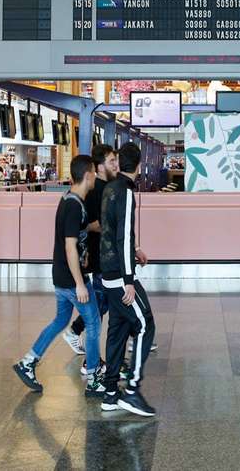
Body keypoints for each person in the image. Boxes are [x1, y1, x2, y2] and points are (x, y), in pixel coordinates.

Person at [13, 155, 104, 397]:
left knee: (60, 321)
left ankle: (28, 361)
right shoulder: (75, 205)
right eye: (94, 172)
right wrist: (80, 284)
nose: (96, 175)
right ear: (87, 175)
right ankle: (94, 378)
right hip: (72, 279)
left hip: (60, 277)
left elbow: (75, 231)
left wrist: (93, 227)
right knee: (93, 323)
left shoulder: (68, 200)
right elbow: (69, 246)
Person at [99, 142, 156, 417]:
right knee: (146, 324)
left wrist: (134, 251)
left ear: (120, 164)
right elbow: (122, 236)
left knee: (118, 328)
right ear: (141, 166)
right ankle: (132, 391)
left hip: (107, 271)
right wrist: (129, 279)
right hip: (120, 275)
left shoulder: (110, 188)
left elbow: (112, 233)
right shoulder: (127, 193)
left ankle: (110, 393)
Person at [65, 145, 118, 357]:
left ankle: (76, 332)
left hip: (104, 254)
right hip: (99, 255)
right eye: (112, 161)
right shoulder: (97, 190)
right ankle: (91, 358)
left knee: (103, 301)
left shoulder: (109, 187)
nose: (116, 164)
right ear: (99, 167)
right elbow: (89, 223)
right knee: (100, 302)